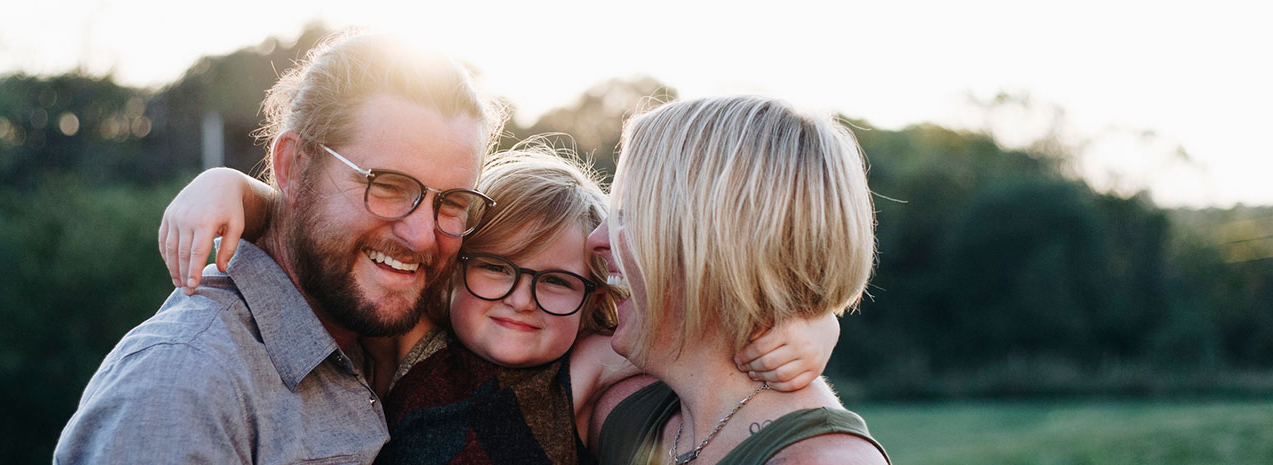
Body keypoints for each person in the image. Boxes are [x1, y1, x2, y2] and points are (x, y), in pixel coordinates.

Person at [157, 141, 840, 465]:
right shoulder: (410, 330)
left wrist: (816, 324)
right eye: (497, 269)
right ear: (456, 266)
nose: (522, 300)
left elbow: (702, 324)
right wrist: (235, 188)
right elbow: (338, 245)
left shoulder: (585, 365)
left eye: (556, 281)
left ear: (593, 294)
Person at [54, 31, 506, 463]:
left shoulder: (383, 340)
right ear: (291, 166)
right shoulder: (185, 385)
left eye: (454, 202)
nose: (423, 235)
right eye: (388, 185)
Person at [587, 96, 890, 464]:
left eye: (629, 216)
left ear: (721, 244)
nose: (596, 240)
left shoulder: (824, 459)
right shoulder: (619, 416)